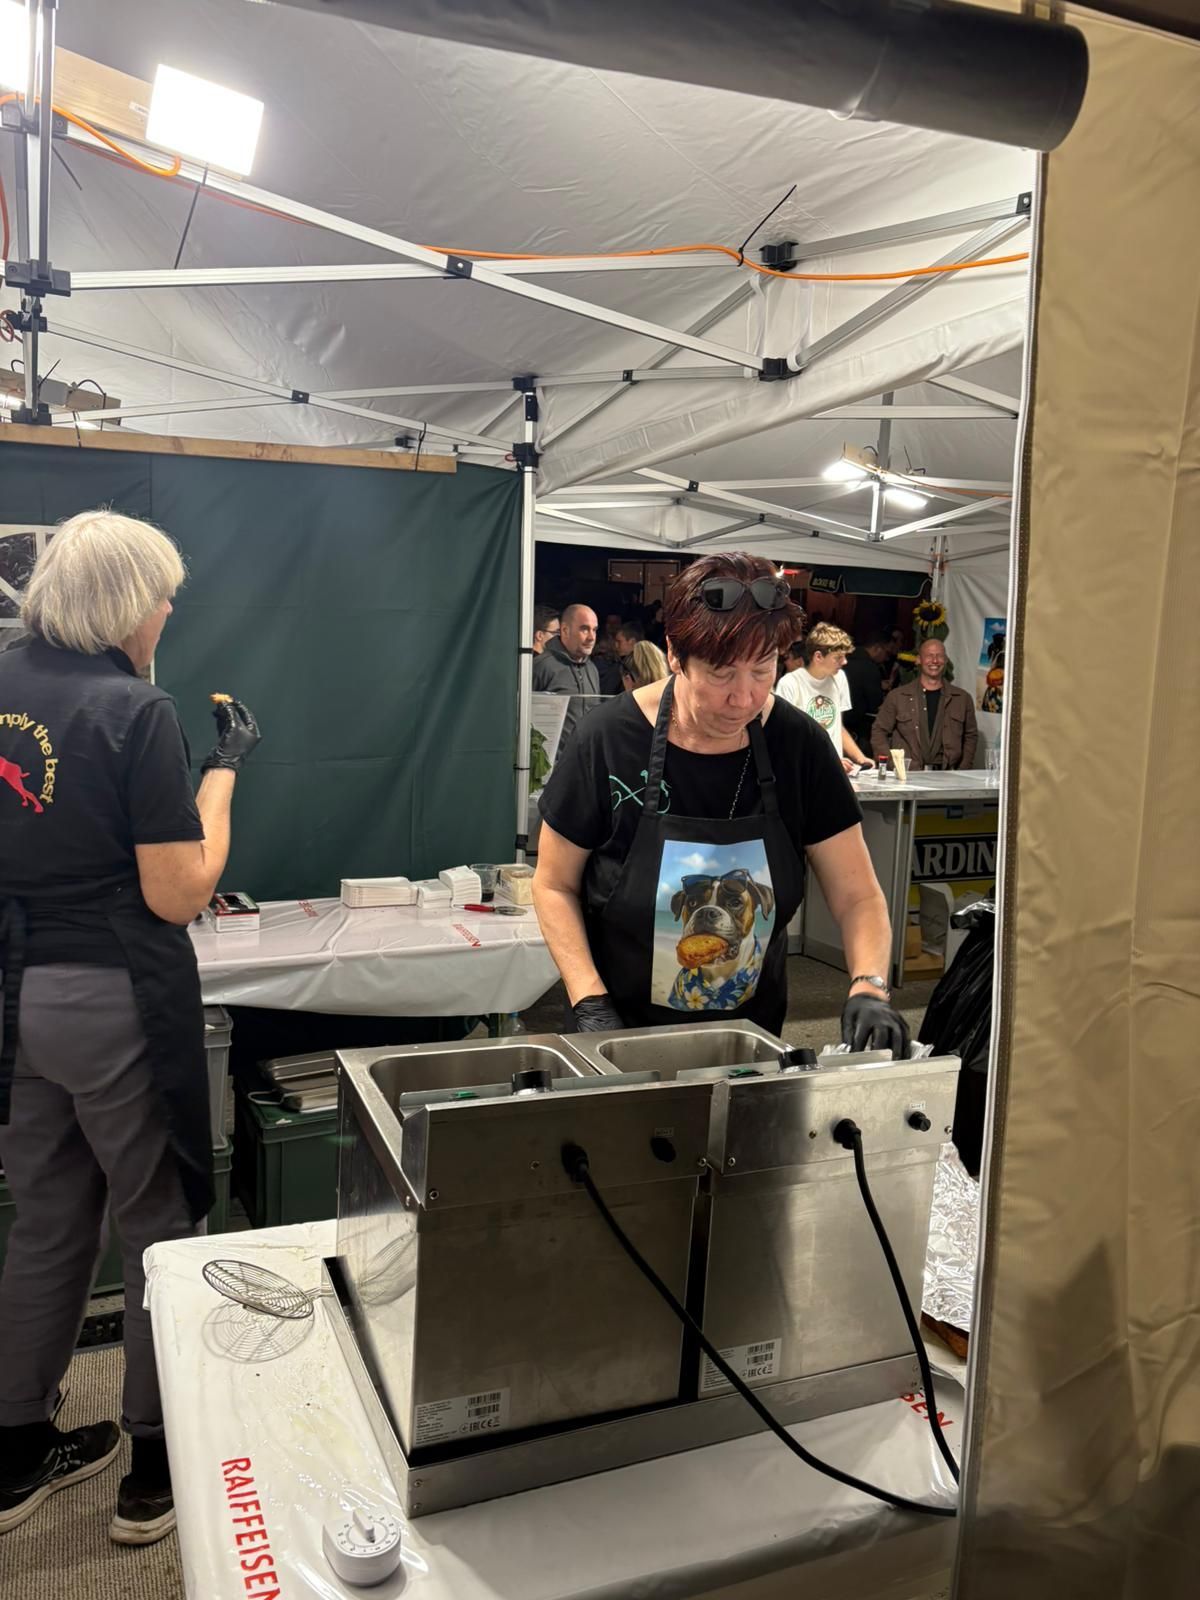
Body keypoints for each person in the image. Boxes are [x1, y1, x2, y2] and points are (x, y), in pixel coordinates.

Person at [0, 511, 261, 1543]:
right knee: (158, 1222)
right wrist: (224, 768)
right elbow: (179, 890)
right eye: (162, 597)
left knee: (46, 1219)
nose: (167, 613)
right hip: (109, 996)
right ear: (123, 605)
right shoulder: (133, 708)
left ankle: (15, 1447)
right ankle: (156, 1465)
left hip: (13, 999)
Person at [532, 553, 909, 1049]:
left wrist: (869, 986)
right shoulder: (607, 739)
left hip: (748, 1038)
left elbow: (857, 894)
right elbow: (553, 885)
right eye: (721, 673)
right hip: (616, 1029)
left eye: (762, 669)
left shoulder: (800, 746)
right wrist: (589, 1001)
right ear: (675, 654)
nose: (744, 697)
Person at [776, 622, 872, 773]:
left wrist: (861, 759)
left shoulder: (839, 678)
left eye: (844, 656)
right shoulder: (790, 683)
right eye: (838, 658)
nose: (845, 662)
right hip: (803, 770)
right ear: (818, 656)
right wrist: (827, 761)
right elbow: (787, 737)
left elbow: (837, 727)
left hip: (834, 768)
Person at [872, 637, 979, 770]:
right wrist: (892, 765)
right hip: (908, 775)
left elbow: (970, 736)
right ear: (918, 660)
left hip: (947, 775)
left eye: (939, 656)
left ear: (946, 660)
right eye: (929, 655)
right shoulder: (897, 697)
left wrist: (963, 770)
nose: (935, 660)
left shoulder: (962, 698)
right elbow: (879, 731)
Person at [532, 602, 602, 744]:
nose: (591, 637)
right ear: (565, 630)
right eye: (584, 629)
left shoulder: (592, 669)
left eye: (594, 630)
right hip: (551, 757)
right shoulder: (541, 666)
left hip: (587, 756)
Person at [842, 633, 891, 748]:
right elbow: (875, 704)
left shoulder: (844, 659)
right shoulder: (869, 667)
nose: (887, 658)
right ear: (877, 648)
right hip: (856, 729)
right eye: (886, 653)